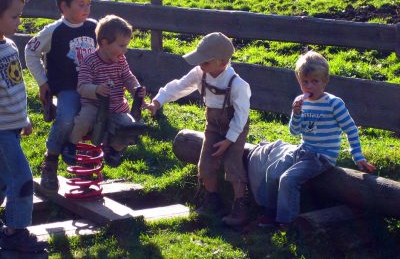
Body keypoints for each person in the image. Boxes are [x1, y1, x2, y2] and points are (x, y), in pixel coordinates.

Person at [260, 51, 376, 230]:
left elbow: (350, 128)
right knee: (272, 171)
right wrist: (296, 114)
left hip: (321, 156)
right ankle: (269, 212)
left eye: (315, 81)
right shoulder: (301, 102)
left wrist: (358, 156)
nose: (309, 86)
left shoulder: (334, 103)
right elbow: (294, 131)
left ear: (325, 81)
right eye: (305, 82)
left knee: (288, 179)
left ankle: (287, 223)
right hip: (303, 150)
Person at [145, 32, 251, 226]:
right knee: (205, 163)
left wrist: (229, 141)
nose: (200, 65)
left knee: (232, 162)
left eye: (205, 62)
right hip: (213, 126)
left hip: (235, 127)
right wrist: (158, 101)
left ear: (222, 62)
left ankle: (240, 205)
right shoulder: (200, 74)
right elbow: (179, 87)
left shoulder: (237, 85)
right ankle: (212, 199)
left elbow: (242, 116)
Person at [25, 0, 97, 192]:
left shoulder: (94, 27)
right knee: (66, 117)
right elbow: (30, 50)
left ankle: (87, 161)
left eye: (88, 4)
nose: (86, 9)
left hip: (92, 87)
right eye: (81, 5)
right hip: (67, 87)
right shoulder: (54, 31)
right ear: (64, 6)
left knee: (99, 120)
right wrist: (43, 82)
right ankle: (51, 160)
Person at [0, 0, 48, 252]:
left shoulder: (9, 46)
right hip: (0, 131)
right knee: (21, 179)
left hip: (11, 127)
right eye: (14, 16)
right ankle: (15, 232)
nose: (19, 21)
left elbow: (14, 89)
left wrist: (23, 119)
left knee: (4, 180)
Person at [63, 14, 146, 167]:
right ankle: (71, 144)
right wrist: (96, 89)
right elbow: (82, 86)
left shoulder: (121, 60)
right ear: (104, 43)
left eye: (126, 46)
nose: (125, 50)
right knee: (84, 120)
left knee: (128, 126)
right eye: (121, 46)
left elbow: (128, 77)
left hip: (117, 106)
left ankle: (114, 149)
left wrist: (135, 89)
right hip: (93, 105)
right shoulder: (90, 62)